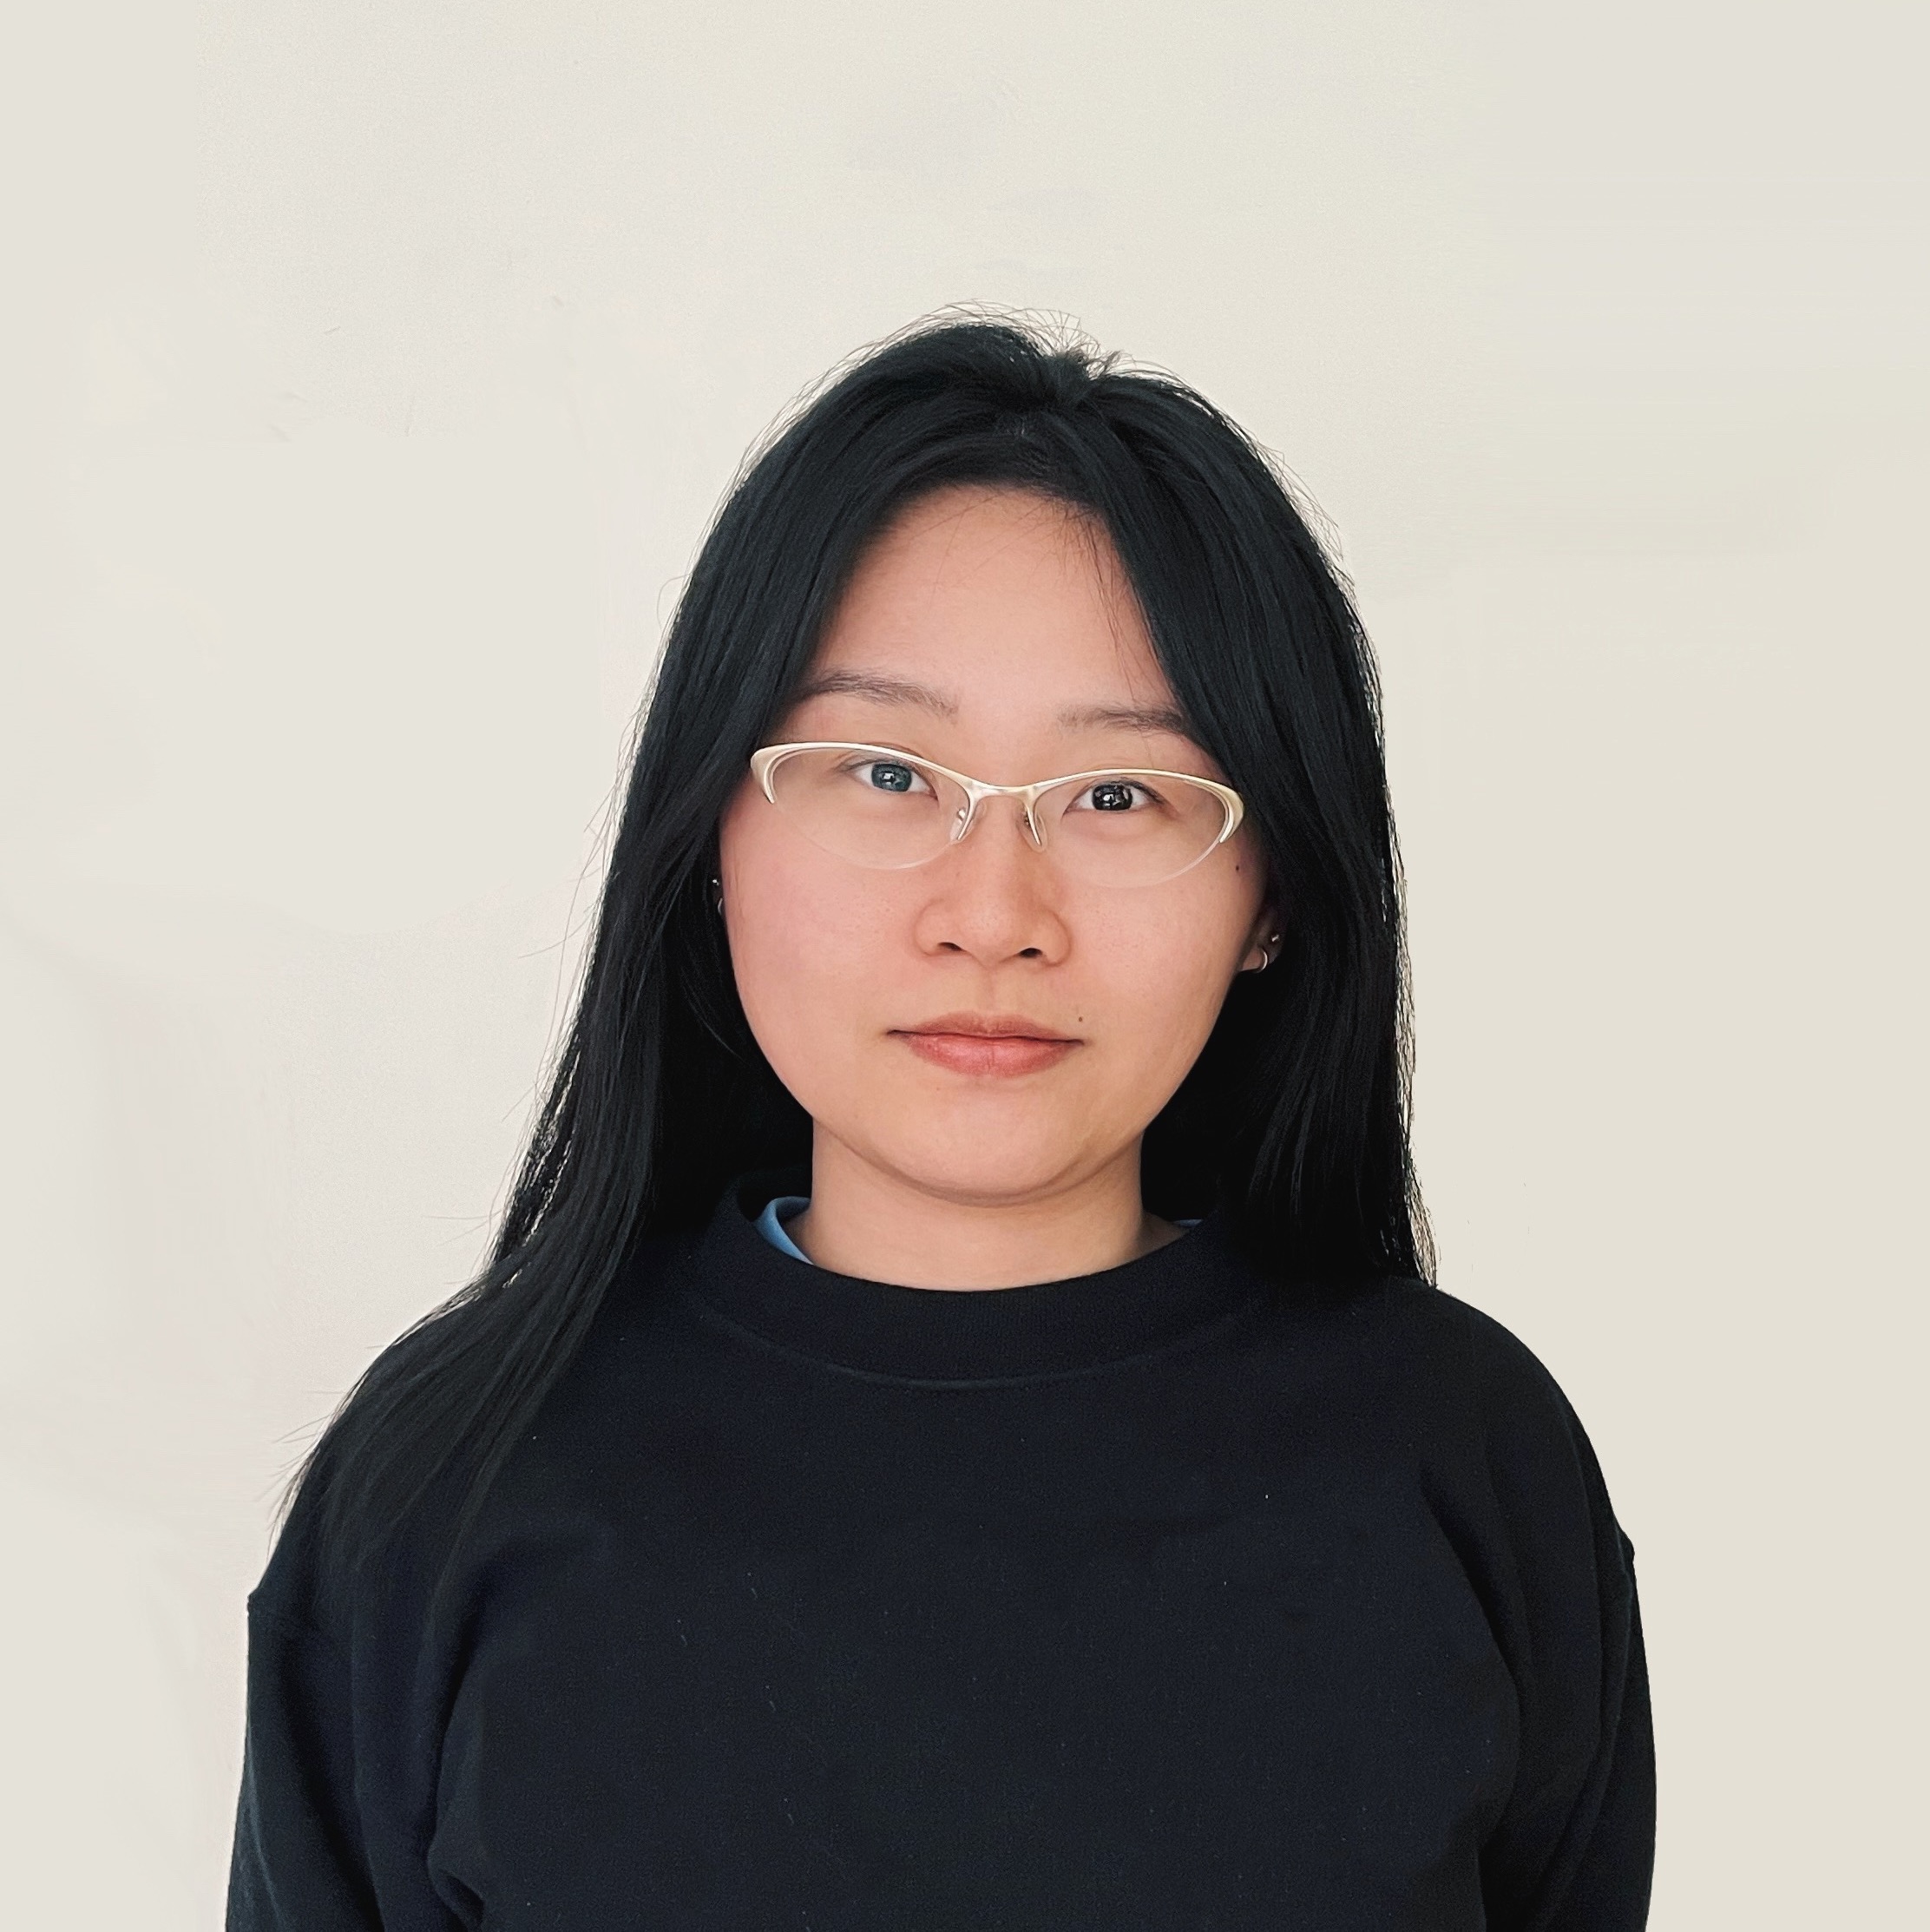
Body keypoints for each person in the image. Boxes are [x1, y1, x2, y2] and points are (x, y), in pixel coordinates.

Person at [227, 319, 1653, 1929]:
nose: (995, 913)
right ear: (713, 833)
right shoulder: (445, 1479)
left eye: (1122, 795)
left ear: (1274, 897)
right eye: (886, 773)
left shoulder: (1462, 1459)